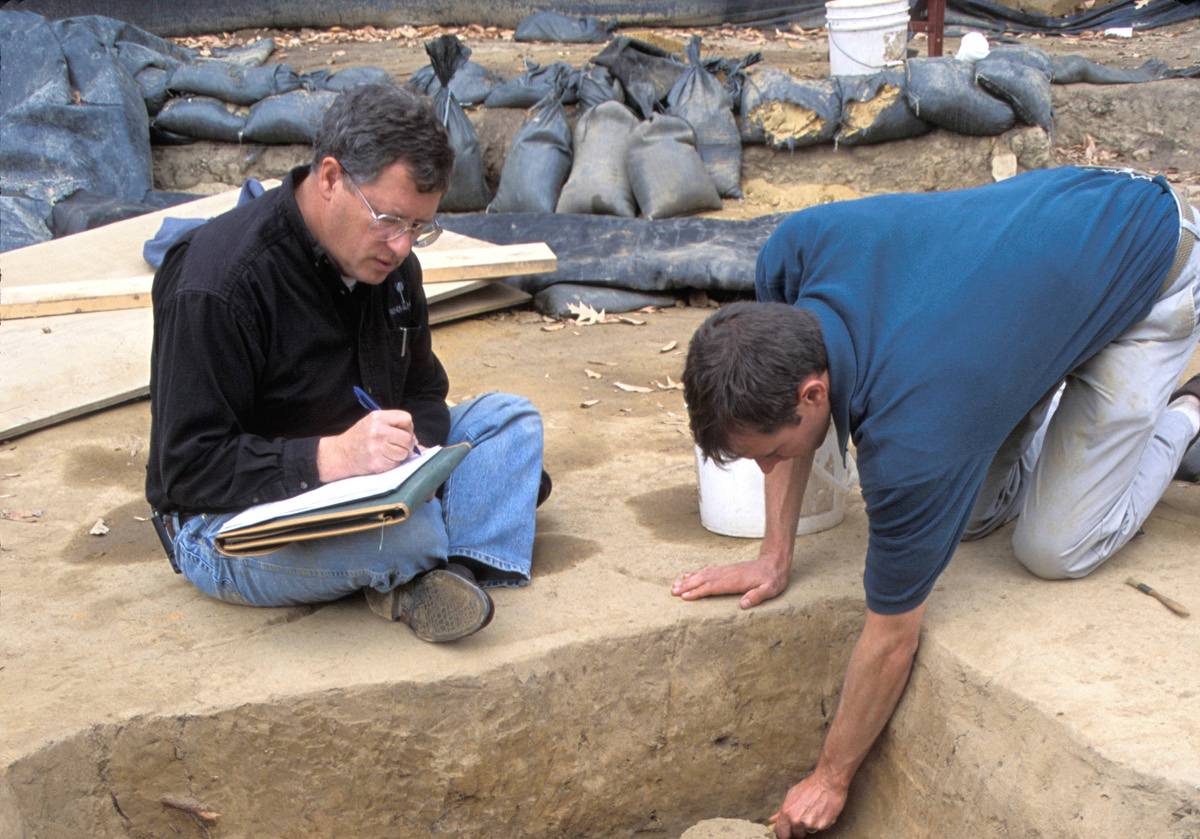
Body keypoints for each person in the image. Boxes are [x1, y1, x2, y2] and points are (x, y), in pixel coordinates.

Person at [674, 166, 1200, 835]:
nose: (770, 466)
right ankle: (1041, 381)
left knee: (1055, 547)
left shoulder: (914, 442)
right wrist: (774, 556)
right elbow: (793, 420)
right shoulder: (791, 257)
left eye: (771, 452)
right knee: (971, 518)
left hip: (1149, 262)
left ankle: (1186, 413)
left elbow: (893, 635)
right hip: (1021, 293)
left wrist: (831, 776)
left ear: (812, 393)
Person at [146, 84, 548, 643]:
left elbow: (424, 393)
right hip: (230, 524)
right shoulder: (218, 283)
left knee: (509, 421)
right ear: (332, 178)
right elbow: (188, 470)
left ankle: (449, 576)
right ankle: (451, 541)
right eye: (389, 219)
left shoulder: (391, 267)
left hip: (368, 486)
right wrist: (333, 457)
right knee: (408, 534)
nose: (402, 246)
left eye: (419, 228)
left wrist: (418, 458)